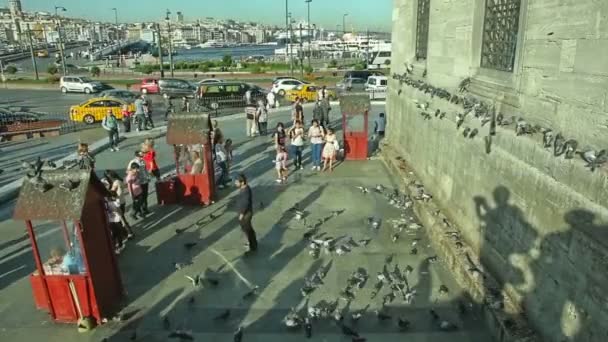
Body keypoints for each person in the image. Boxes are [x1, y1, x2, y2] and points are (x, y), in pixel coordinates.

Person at [104, 170, 134, 238]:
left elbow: (112, 193)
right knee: (121, 218)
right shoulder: (119, 180)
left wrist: (106, 188)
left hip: (117, 203)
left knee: (121, 219)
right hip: (122, 201)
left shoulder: (115, 183)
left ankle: (129, 232)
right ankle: (125, 232)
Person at [235, 174, 257, 253]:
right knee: (247, 229)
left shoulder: (246, 191)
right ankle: (251, 243)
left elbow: (245, 203)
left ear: (242, 182)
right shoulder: (243, 188)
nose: (235, 183)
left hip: (246, 214)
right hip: (245, 214)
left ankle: (252, 246)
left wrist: (241, 214)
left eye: (237, 182)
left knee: (248, 230)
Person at [127, 151, 150, 215]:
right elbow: (128, 171)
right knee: (140, 197)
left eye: (143, 156)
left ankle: (145, 209)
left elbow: (145, 170)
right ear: (136, 156)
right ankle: (138, 211)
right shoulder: (132, 162)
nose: (142, 158)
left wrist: (148, 176)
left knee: (145, 196)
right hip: (139, 183)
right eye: (141, 156)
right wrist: (134, 178)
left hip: (145, 181)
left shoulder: (143, 161)